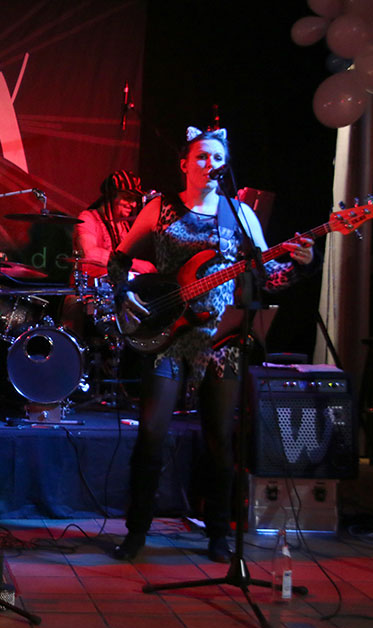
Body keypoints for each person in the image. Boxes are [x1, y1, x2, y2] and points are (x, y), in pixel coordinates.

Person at [107, 127, 314, 563]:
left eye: (217, 157)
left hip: (220, 338)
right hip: (168, 334)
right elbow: (118, 259)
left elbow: (266, 278)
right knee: (151, 433)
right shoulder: (160, 208)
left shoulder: (240, 215)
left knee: (220, 437)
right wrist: (126, 298)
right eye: (202, 156)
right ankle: (137, 531)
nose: (210, 164)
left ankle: (219, 535)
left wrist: (300, 266)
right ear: (185, 163)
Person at [73, 170, 156, 277]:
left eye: (135, 200)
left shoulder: (123, 225)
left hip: (114, 284)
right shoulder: (88, 218)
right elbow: (89, 253)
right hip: (89, 285)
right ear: (111, 197)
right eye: (128, 198)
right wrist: (133, 264)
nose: (134, 205)